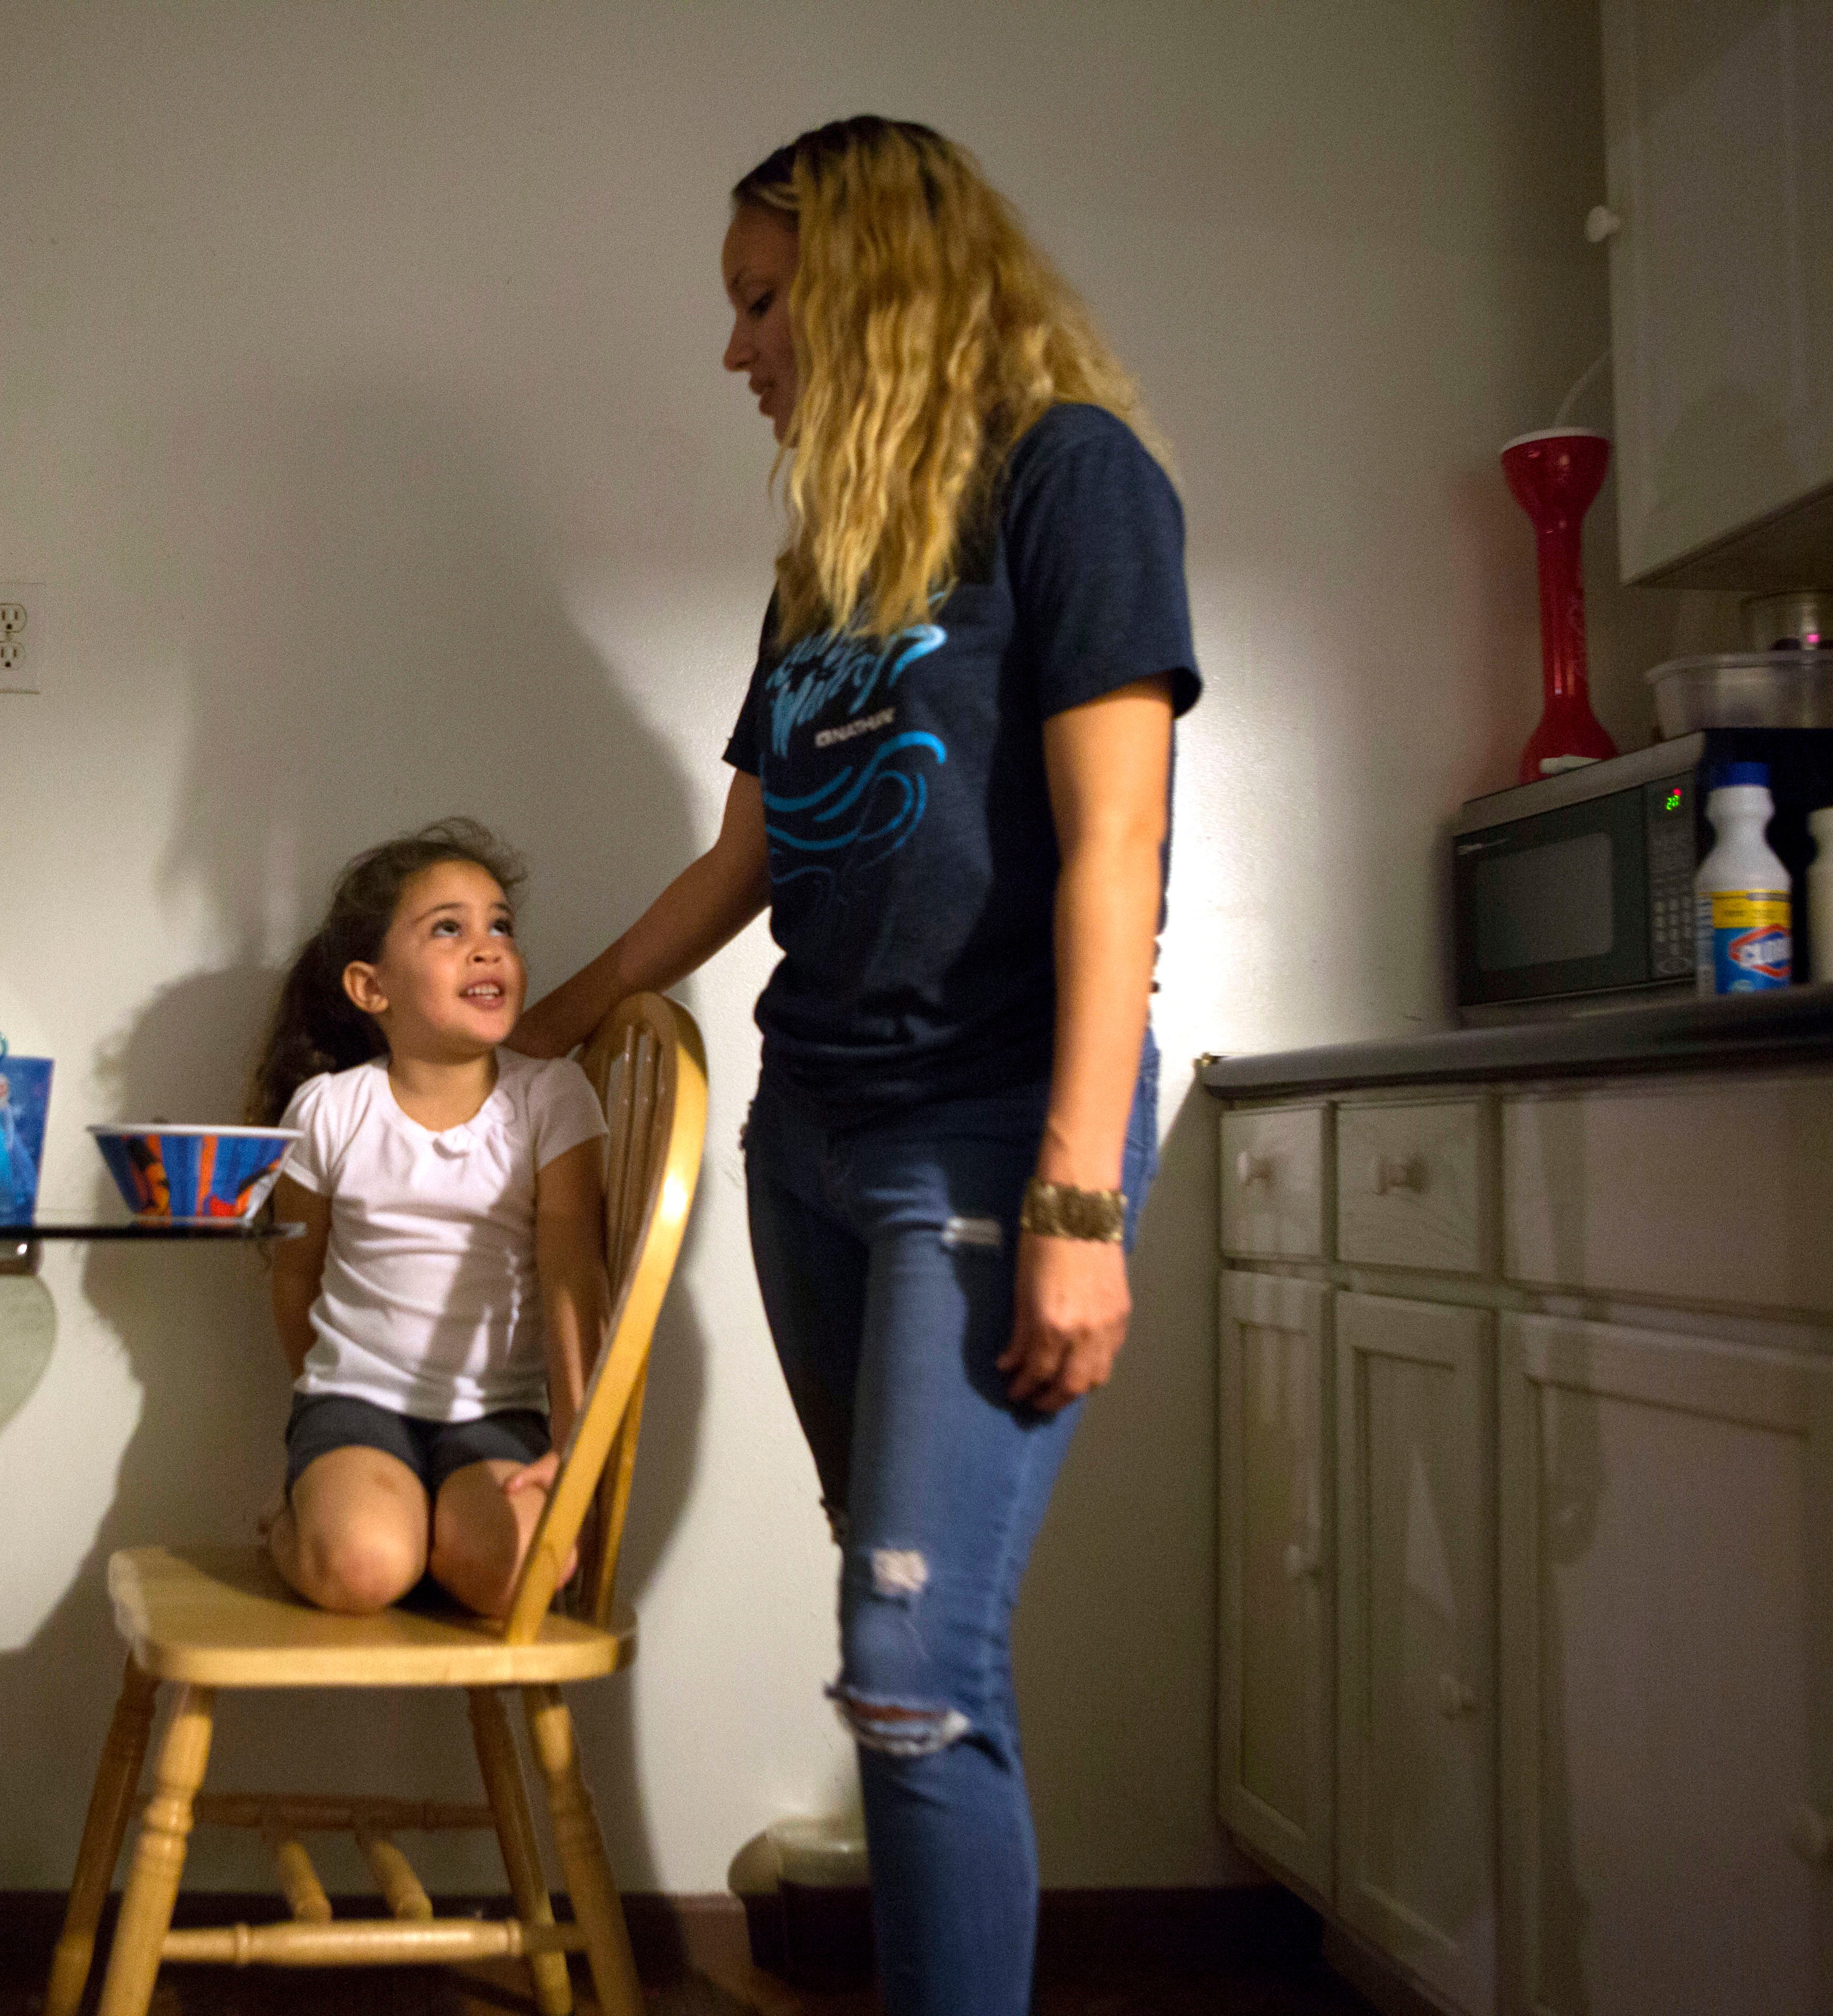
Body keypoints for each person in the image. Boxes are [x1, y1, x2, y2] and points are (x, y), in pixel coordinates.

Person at [511, 117, 1199, 2014]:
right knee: (905, 1633)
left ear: (874, 278)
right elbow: (747, 859)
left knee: (911, 1669)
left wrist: (1074, 1192)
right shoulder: (829, 559)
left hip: (985, 1142)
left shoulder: (1076, 483)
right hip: (807, 1135)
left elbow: (1117, 855)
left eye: (760, 300)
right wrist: (552, 1022)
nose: (737, 350)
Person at [250, 820, 614, 1620]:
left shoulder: (550, 1097)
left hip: (499, 1413)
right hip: (354, 1402)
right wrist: (328, 1393)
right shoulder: (330, 1109)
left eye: (500, 927)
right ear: (370, 987)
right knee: (363, 1570)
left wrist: (578, 1439)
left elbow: (572, 1276)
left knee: (514, 1580)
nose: (487, 948)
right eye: (448, 928)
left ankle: (424, 1529)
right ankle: (304, 1524)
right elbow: (295, 1275)